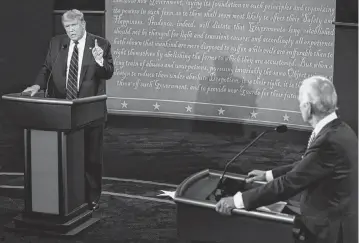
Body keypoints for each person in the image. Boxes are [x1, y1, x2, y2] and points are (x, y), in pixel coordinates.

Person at [215, 76, 358, 243]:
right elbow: (307, 165)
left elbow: (290, 183)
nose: (299, 107)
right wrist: (268, 175)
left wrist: (237, 201)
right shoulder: (340, 129)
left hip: (329, 232)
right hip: (333, 223)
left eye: (300, 103)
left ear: (307, 107)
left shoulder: (328, 141)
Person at [23, 9, 114, 211]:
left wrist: (99, 60)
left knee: (90, 157)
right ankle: (67, 195)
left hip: (90, 112)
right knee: (65, 156)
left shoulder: (100, 44)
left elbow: (108, 73)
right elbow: (46, 67)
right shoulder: (57, 43)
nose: (71, 30)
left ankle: (92, 197)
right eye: (68, 27)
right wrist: (37, 86)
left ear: (83, 24)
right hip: (61, 112)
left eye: (74, 26)